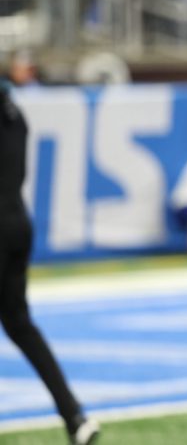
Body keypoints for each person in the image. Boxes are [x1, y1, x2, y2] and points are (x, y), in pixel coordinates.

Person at [0, 78, 100, 444]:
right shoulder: (15, 113)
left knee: (19, 324)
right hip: (17, 224)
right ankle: (73, 415)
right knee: (19, 324)